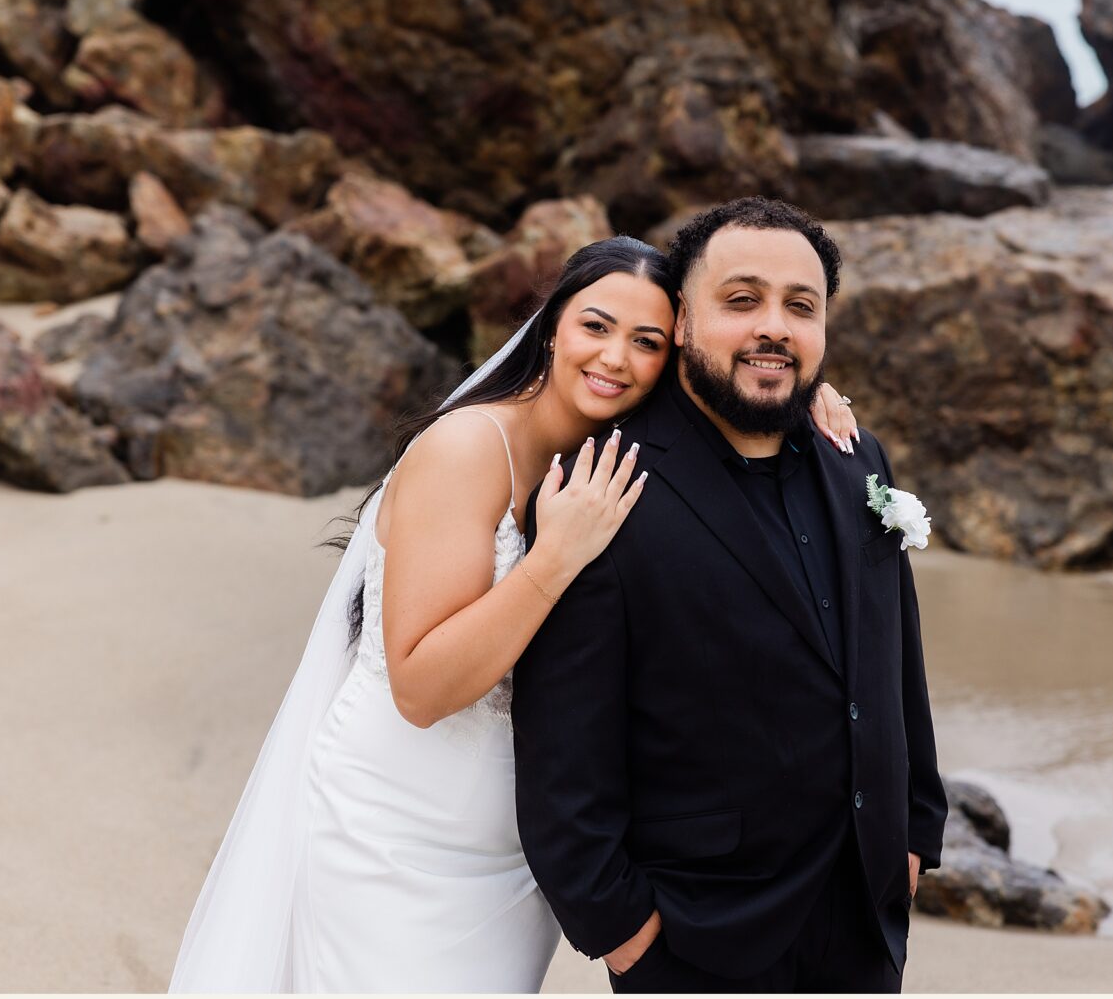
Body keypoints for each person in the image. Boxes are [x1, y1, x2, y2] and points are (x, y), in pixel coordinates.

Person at [170, 234, 866, 992]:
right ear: (552, 327)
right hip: (396, 823)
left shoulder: (619, 448)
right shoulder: (467, 447)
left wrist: (804, 397)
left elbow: (735, 389)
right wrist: (552, 561)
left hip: (515, 846)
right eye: (594, 327)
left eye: (647, 342)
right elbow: (421, 689)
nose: (615, 359)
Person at [513, 198, 947, 993]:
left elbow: (894, 655)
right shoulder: (606, 483)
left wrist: (915, 828)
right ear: (680, 320)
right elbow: (560, 742)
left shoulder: (858, 456)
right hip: (695, 934)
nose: (772, 327)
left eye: (800, 307)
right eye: (741, 301)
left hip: (863, 912)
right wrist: (618, 926)